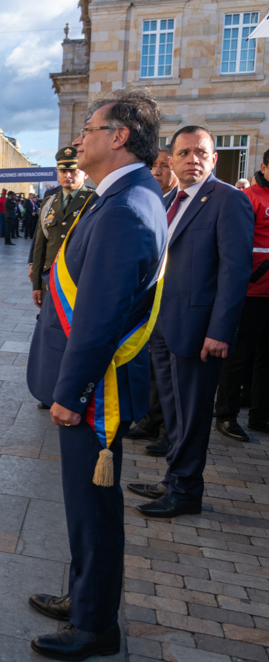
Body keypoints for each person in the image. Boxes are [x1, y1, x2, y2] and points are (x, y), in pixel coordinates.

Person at [24, 89, 168, 660]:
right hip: (91, 388)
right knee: (86, 507)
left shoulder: (128, 206)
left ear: (118, 138)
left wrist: (70, 392)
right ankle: (85, 597)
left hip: (94, 393)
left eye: (89, 128)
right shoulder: (121, 196)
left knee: (94, 509)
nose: (78, 138)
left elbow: (101, 317)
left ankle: (94, 625)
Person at [128, 125, 254, 519]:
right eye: (183, 153)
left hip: (199, 333)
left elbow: (236, 271)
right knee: (175, 413)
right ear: (171, 160)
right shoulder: (168, 199)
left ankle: (186, 491)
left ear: (214, 159)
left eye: (201, 152)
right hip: (163, 328)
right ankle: (173, 479)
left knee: (193, 414)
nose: (192, 159)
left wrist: (220, 331)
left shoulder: (228, 200)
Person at [126, 144, 180, 456]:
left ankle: (167, 431)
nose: (158, 172)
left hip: (172, 301)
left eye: (164, 166)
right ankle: (151, 419)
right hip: (149, 298)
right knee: (151, 365)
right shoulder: (153, 200)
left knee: (168, 374)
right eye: (154, 166)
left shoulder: (178, 202)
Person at [214, 149, 269, 438]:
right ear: (263, 167)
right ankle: (226, 415)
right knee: (238, 357)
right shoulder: (250, 197)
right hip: (251, 292)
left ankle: (261, 416)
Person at [30, 147, 94, 309]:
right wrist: (37, 284)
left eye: (73, 171)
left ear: (85, 173)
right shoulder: (49, 203)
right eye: (63, 171)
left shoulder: (95, 201)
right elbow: (40, 246)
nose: (68, 176)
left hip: (80, 283)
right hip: (51, 282)